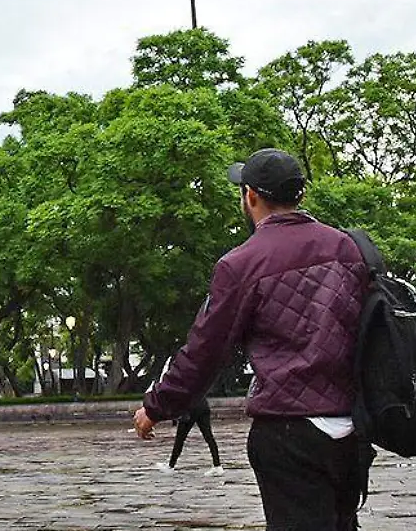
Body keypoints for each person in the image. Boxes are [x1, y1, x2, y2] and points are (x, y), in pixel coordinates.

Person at [134, 148, 370, 531]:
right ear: (300, 196)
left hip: (289, 432)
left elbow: (205, 351)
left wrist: (157, 406)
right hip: (351, 429)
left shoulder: (241, 264)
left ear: (251, 197)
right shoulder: (346, 247)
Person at [167, 395, 223, 474]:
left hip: (190, 408)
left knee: (180, 438)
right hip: (203, 405)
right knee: (209, 437)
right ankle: (217, 465)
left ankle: (170, 466)